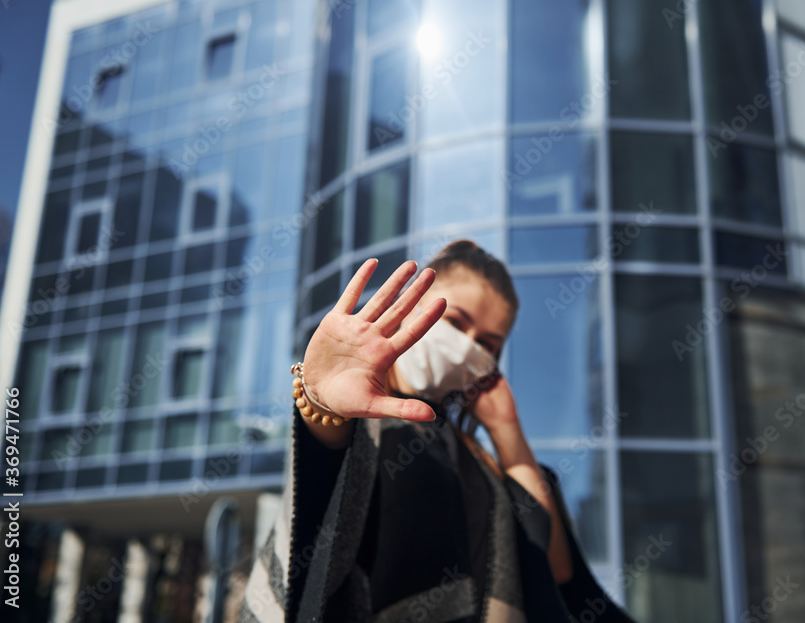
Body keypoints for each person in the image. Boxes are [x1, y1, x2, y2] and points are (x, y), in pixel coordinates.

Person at [239, 240, 635, 622]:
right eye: (455, 322)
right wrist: (319, 404)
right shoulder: (364, 420)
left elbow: (557, 570)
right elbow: (320, 485)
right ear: (413, 307)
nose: (467, 347)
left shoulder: (475, 458)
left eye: (488, 344)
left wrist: (506, 429)